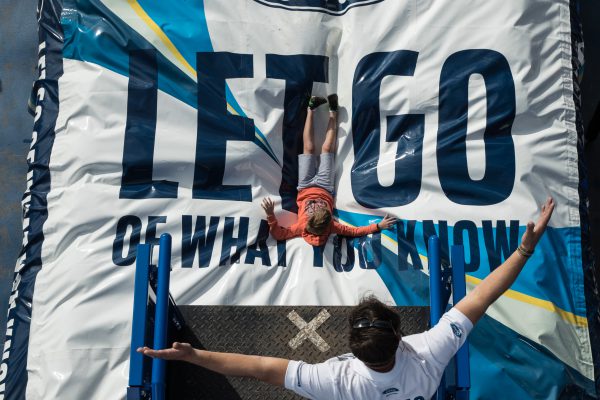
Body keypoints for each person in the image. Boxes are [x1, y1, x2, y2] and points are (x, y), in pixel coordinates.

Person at [138, 197, 555, 400]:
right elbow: (482, 296)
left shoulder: (339, 382)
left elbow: (262, 369)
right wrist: (523, 249)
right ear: (397, 332)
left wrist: (195, 356)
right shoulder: (430, 352)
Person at [261, 94, 396, 246]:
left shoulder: (302, 227)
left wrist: (270, 214)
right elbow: (354, 231)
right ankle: (333, 112)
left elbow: (279, 234)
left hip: (305, 186)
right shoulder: (330, 227)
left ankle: (311, 109)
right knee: (326, 149)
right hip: (325, 186)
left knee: (309, 148)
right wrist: (378, 226)